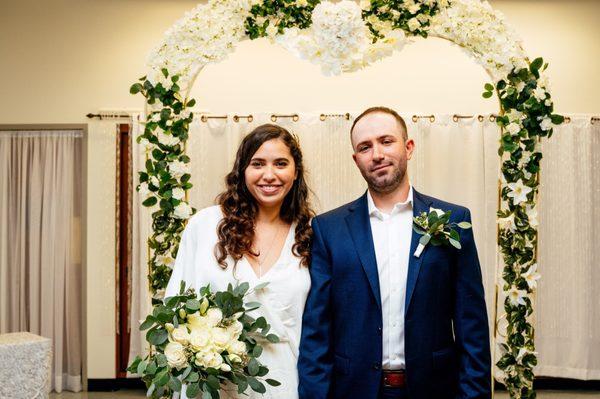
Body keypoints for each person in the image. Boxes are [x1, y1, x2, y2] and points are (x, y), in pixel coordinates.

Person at [298, 106, 491, 399]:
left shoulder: (452, 220)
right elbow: (317, 332)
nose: (376, 154)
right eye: (365, 147)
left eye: (386, 141)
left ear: (408, 147)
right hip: (353, 390)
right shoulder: (328, 229)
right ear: (356, 159)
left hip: (433, 390)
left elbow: (472, 326)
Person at [165, 124, 314, 398]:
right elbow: (175, 305)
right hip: (212, 384)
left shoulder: (311, 234)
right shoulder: (205, 226)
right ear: (242, 170)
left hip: (282, 382)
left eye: (281, 163)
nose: (269, 175)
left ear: (295, 172)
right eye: (257, 164)